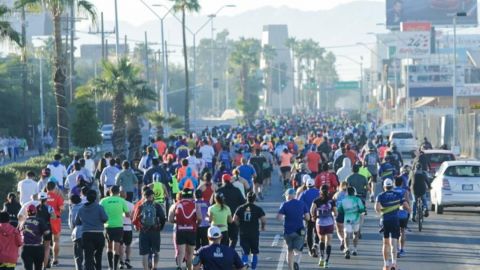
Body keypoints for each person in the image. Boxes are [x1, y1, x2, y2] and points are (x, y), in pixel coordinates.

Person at [375, 179, 410, 270]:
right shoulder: (398, 195)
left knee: (385, 243)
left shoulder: (380, 196)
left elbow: (377, 208)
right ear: (392, 186)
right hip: (395, 220)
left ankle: (386, 265)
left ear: (384, 186)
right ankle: (394, 264)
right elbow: (405, 206)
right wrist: (408, 210)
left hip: (385, 221)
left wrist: (382, 212)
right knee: (394, 242)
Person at [132, 189, 166, 270]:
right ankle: (155, 267)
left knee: (145, 254)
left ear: (144, 196)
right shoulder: (157, 206)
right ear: (152, 196)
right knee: (156, 252)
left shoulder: (140, 206)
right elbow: (162, 218)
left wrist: (138, 227)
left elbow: (134, 220)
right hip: (155, 231)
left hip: (144, 232)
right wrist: (160, 227)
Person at [277, 188, 310, 270]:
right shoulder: (302, 203)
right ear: (294, 195)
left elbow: (279, 218)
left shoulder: (284, 204)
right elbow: (308, 217)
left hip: (288, 231)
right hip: (299, 231)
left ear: (288, 196)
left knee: (289, 250)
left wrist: (285, 215)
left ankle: (291, 268)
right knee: (299, 249)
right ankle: (296, 262)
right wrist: (301, 217)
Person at [168, 188, 201, 270]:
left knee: (180, 252)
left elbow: (170, 219)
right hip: (191, 230)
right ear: (191, 195)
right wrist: (196, 224)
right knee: (190, 253)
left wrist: (177, 221)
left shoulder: (176, 204)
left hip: (180, 230)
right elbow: (200, 218)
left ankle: (179, 266)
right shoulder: (195, 204)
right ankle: (189, 268)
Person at [76, 189, 108, 270]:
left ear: (86, 198)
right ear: (96, 198)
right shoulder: (99, 208)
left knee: (88, 256)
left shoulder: (81, 209)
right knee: (98, 256)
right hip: (98, 234)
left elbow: (77, 222)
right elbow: (105, 218)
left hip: (86, 234)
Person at [100, 186, 130, 270]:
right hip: (118, 226)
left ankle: (110, 266)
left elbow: (100, 213)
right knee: (116, 248)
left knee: (109, 247)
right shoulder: (122, 201)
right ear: (118, 193)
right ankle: (114, 267)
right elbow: (127, 214)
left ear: (110, 191)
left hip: (107, 226)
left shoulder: (103, 201)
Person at [233, 192, 266, 270]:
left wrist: (239, 225)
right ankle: (253, 268)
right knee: (254, 252)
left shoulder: (240, 208)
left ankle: (244, 266)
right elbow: (263, 220)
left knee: (245, 252)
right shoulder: (258, 208)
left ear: (246, 198)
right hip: (254, 233)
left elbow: (234, 219)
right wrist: (262, 227)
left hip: (243, 233)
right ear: (254, 199)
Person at [215, 174, 246, 249]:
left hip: (221, 218)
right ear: (230, 180)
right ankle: (230, 251)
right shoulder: (236, 190)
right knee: (234, 237)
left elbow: (212, 203)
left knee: (222, 238)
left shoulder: (219, 191)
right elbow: (243, 202)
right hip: (234, 217)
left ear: (223, 180)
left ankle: (224, 252)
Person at [310, 185, 336, 268]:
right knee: (329, 243)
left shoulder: (316, 200)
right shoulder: (331, 201)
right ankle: (326, 262)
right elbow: (336, 213)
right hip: (329, 223)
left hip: (320, 223)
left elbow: (311, 210)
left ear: (320, 191)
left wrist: (313, 217)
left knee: (321, 240)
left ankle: (321, 258)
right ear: (328, 191)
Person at [337, 186, 365, 259]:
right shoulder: (358, 199)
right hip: (356, 220)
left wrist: (347, 211)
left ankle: (347, 249)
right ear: (354, 193)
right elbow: (362, 210)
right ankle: (355, 249)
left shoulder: (344, 200)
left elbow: (340, 210)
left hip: (347, 220)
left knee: (347, 234)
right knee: (355, 234)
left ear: (347, 193)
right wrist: (357, 211)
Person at [19, 204, 50, 270]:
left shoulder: (22, 222)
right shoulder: (40, 220)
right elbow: (47, 232)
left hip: (26, 248)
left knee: (28, 268)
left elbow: (17, 233)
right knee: (38, 268)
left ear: (27, 212)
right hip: (37, 248)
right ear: (36, 212)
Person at [298, 176, 320, 258]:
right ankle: (316, 244)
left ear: (307, 185)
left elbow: (299, 204)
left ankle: (310, 250)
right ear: (314, 185)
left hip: (308, 215)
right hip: (318, 215)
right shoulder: (318, 192)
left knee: (309, 232)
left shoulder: (303, 193)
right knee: (317, 231)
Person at [46, 181, 64, 266]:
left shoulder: (42, 196)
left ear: (46, 188)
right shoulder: (57, 197)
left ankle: (45, 259)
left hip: (44, 220)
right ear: (54, 188)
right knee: (56, 240)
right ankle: (55, 259)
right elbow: (62, 209)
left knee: (45, 241)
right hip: (55, 219)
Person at [393, 177, 410, 257]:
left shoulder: (392, 191)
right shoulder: (405, 191)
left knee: (395, 233)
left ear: (394, 183)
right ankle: (402, 249)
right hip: (403, 215)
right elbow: (407, 202)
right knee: (402, 231)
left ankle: (396, 250)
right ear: (402, 183)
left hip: (394, 215)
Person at [68, 194, 84, 270]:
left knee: (77, 254)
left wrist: (72, 231)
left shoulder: (73, 209)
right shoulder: (84, 206)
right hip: (88, 231)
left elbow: (72, 223)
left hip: (78, 233)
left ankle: (79, 268)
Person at [119, 192, 134, 269]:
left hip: (119, 227)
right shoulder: (130, 205)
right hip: (128, 227)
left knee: (120, 245)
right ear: (126, 196)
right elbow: (133, 217)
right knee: (128, 245)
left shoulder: (117, 204)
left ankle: (121, 261)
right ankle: (127, 259)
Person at [333, 181, 348, 251]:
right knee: (346, 231)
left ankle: (342, 239)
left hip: (339, 213)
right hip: (347, 214)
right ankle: (346, 245)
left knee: (339, 230)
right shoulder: (348, 194)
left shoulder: (336, 194)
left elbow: (333, 203)